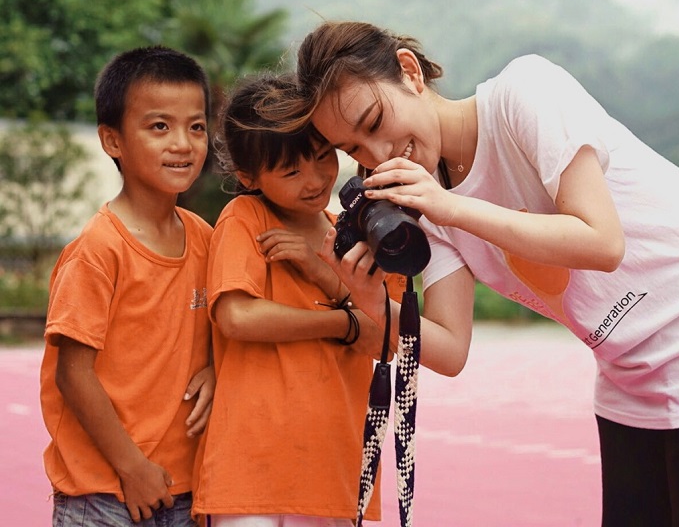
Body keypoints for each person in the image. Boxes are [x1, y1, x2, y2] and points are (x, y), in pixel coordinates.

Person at [266, 20, 679, 526]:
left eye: (375, 121)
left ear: (409, 72)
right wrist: (368, 300)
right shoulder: (426, 200)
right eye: (355, 150)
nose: (377, 155)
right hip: (631, 386)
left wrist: (449, 208)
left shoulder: (525, 93)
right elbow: (450, 351)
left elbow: (602, 242)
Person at [191, 74, 405, 527]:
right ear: (248, 177)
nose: (315, 179)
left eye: (323, 156)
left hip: (333, 469)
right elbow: (237, 316)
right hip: (248, 472)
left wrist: (319, 271)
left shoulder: (358, 232)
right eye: (291, 171)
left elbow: (388, 341)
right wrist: (339, 325)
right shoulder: (245, 217)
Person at [40, 45, 215, 527]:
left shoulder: (205, 239)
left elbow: (225, 327)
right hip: (103, 492)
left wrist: (217, 369)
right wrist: (132, 468)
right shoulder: (98, 250)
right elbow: (73, 374)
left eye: (196, 126)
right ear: (112, 140)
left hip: (181, 489)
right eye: (160, 126)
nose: (182, 142)